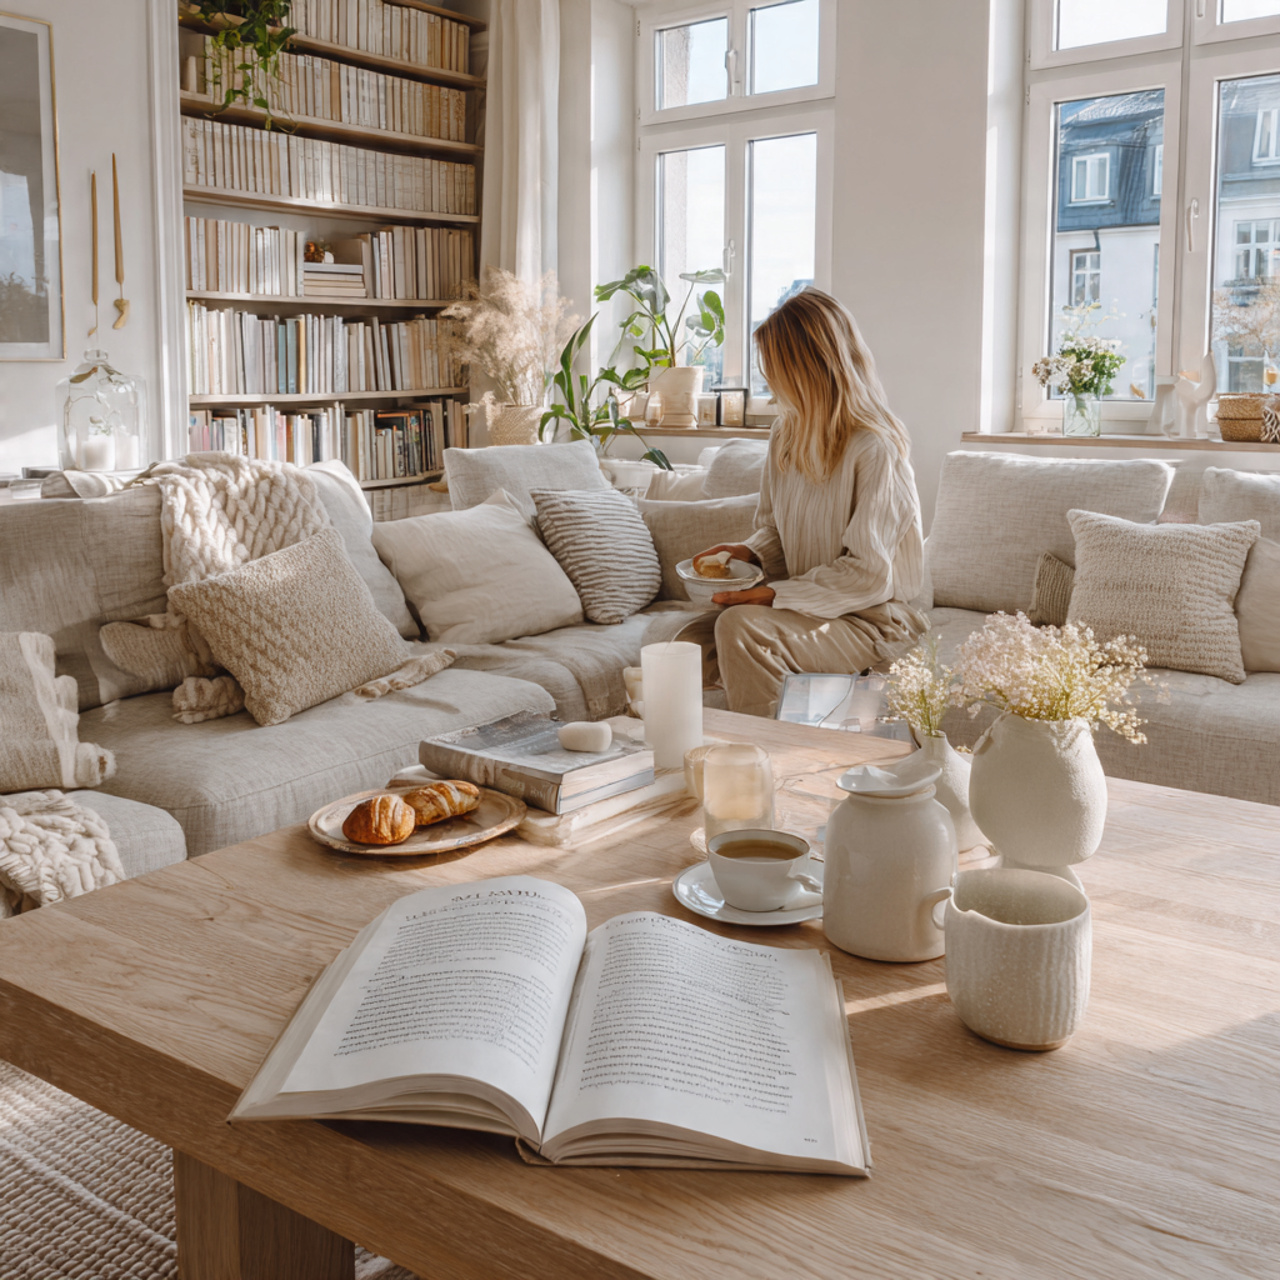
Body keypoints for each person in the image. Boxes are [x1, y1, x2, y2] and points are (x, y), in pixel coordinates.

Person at [694, 288, 927, 718]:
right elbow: (775, 533)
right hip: (811, 610)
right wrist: (748, 553)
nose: (768, 382)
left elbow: (867, 574)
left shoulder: (875, 448)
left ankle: (767, 761)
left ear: (809, 369)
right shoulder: (785, 434)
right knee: (684, 639)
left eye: (775, 370)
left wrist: (773, 595)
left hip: (873, 621)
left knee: (741, 630)